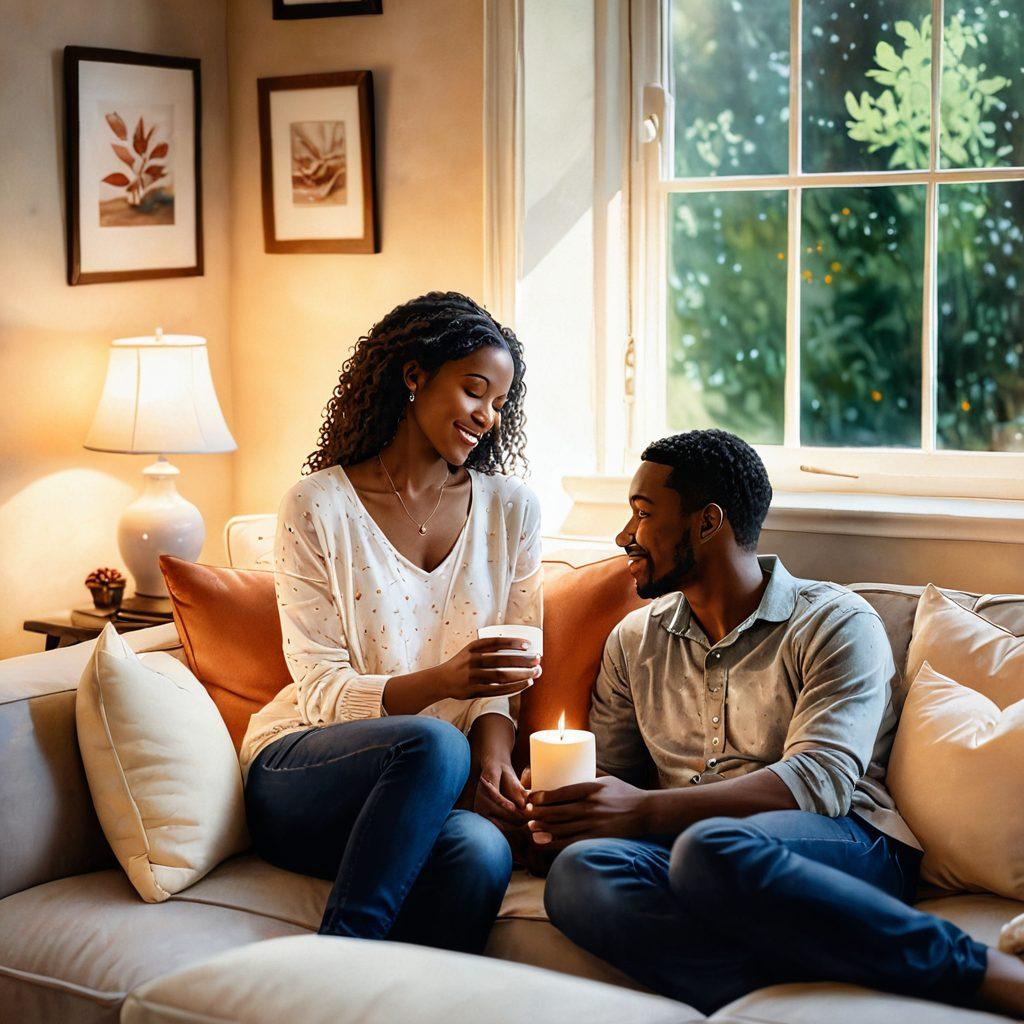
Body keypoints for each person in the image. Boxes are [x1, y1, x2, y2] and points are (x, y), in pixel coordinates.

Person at [530, 429, 1024, 1018]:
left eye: (642, 514)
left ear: (708, 522)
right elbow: (612, 783)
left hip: (847, 841)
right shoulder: (634, 640)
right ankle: (771, 994)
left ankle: (978, 970)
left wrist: (640, 811)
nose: (624, 536)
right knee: (580, 873)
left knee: (712, 849)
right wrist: (561, 817)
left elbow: (820, 782)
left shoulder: (835, 622)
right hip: (687, 851)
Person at [239, 291, 542, 955]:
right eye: (474, 391)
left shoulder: (512, 511)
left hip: (428, 790)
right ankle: (336, 974)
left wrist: (492, 762)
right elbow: (319, 691)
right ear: (413, 376)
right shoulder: (316, 505)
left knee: (483, 851)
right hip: (307, 774)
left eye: (500, 403)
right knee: (434, 745)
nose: (488, 416)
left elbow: (505, 671)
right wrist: (443, 680)